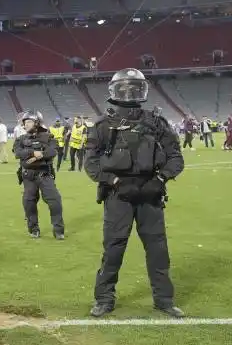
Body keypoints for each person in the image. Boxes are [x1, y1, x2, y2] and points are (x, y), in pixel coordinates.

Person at [85, 68, 185, 318]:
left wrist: (160, 179)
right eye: (124, 88)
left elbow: (175, 157)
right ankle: (104, 299)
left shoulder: (157, 123)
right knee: (114, 248)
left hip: (151, 192)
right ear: (114, 91)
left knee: (158, 249)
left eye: (134, 87)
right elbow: (91, 163)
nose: (129, 92)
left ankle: (164, 299)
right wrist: (115, 180)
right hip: (118, 195)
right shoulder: (103, 126)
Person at [14, 111, 65, 239]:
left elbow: (53, 151)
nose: (26, 125)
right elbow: (18, 152)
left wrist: (41, 155)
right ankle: (33, 229)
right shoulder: (20, 139)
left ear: (37, 123)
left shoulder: (48, 137)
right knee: (29, 203)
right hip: (28, 176)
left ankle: (58, 230)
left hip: (45, 174)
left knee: (55, 201)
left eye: (29, 122)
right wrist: (33, 152)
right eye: (25, 123)